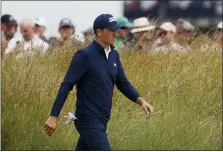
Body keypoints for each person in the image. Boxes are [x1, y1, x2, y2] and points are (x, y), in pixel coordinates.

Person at [44, 13, 153, 151]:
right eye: (111, 30)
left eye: (116, 30)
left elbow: (122, 82)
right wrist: (53, 116)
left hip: (102, 120)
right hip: (87, 119)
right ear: (99, 32)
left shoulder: (114, 55)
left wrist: (141, 101)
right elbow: (66, 85)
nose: (116, 34)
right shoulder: (84, 55)